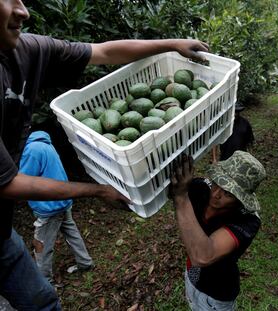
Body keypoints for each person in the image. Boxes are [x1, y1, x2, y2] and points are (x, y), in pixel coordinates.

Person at [0, 0, 209, 309]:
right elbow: (7, 183)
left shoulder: (26, 48)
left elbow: (103, 52)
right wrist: (96, 190)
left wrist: (171, 45)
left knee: (43, 303)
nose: (23, 10)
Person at [170, 151, 266, 310]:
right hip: (192, 276)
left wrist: (181, 197)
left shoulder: (248, 220)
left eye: (228, 193)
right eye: (217, 183)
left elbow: (202, 255)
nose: (215, 194)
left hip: (216, 294)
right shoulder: (201, 187)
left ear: (241, 198)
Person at [19, 130, 95, 284]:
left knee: (41, 246)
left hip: (50, 207)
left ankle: (45, 282)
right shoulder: (43, 143)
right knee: (72, 233)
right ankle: (85, 263)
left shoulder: (32, 150)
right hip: (63, 201)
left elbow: (23, 182)